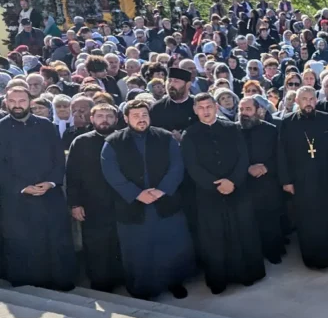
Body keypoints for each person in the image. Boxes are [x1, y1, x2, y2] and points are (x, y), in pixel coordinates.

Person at [100, 99, 195, 300]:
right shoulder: (113, 142)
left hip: (165, 202)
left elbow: (177, 166)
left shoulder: (165, 137)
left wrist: (163, 190)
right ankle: (142, 288)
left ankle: (174, 282)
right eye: (135, 116)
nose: (141, 119)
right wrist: (136, 193)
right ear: (125, 118)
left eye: (144, 115)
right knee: (138, 250)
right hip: (133, 206)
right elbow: (111, 172)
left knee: (172, 245)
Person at [181, 93, 266, 293]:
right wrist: (215, 184)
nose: (205, 111)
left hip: (237, 190)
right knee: (214, 238)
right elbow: (192, 166)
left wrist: (233, 181)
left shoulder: (232, 128)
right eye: (201, 107)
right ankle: (219, 281)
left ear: (216, 107)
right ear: (195, 110)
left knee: (242, 232)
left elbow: (242, 157)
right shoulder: (190, 134)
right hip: (208, 194)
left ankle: (246, 275)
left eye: (209, 106)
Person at [0, 86, 76, 291]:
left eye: (22, 100)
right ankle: (25, 284)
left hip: (49, 195)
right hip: (16, 199)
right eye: (13, 101)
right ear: (6, 102)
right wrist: (22, 187)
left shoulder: (45, 126)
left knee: (55, 240)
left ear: (30, 101)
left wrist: (51, 182)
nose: (17, 105)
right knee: (22, 242)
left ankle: (60, 282)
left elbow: (59, 158)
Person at [277, 86, 328, 268]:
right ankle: (311, 258)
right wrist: (286, 181)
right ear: (297, 101)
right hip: (301, 181)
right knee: (307, 220)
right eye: (304, 99)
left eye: (312, 99)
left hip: (326, 178)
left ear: (316, 100)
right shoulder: (287, 122)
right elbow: (281, 154)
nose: (309, 102)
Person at [66, 103, 122, 292]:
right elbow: (72, 175)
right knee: (96, 246)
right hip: (92, 204)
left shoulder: (124, 139)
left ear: (116, 119)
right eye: (100, 116)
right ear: (92, 119)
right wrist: (75, 203)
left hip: (123, 203)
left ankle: (122, 279)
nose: (104, 120)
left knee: (120, 243)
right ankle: (100, 284)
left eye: (109, 116)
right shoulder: (81, 142)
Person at [238, 96, 285, 265]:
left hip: (268, 182)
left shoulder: (271, 130)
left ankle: (273, 251)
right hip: (244, 183)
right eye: (241, 110)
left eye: (248, 110)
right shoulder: (233, 131)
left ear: (258, 111)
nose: (244, 114)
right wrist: (247, 169)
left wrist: (266, 167)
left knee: (270, 220)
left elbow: (279, 155)